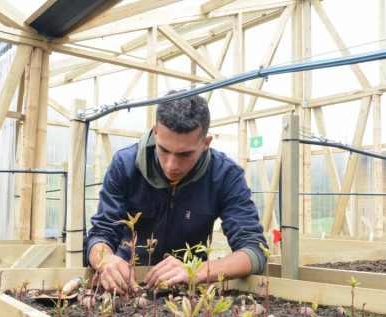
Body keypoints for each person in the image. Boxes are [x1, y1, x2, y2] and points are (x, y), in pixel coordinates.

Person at [87, 94, 267, 295]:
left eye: (185, 154)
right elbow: (101, 233)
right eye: (164, 150)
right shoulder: (125, 165)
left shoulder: (225, 175)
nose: (171, 165)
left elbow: (254, 251)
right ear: (155, 132)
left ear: (206, 143)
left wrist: (195, 271)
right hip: (129, 286)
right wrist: (106, 261)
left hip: (189, 292)